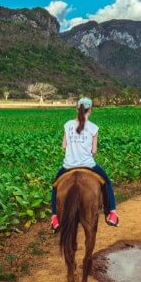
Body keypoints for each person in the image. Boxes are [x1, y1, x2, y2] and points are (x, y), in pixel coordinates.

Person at [50, 97, 119, 231]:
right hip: (89, 165)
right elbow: (94, 150)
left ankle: (54, 217)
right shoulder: (93, 128)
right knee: (107, 183)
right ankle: (112, 213)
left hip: (68, 165)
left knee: (55, 186)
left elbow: (64, 146)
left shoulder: (68, 124)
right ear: (90, 110)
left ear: (77, 109)